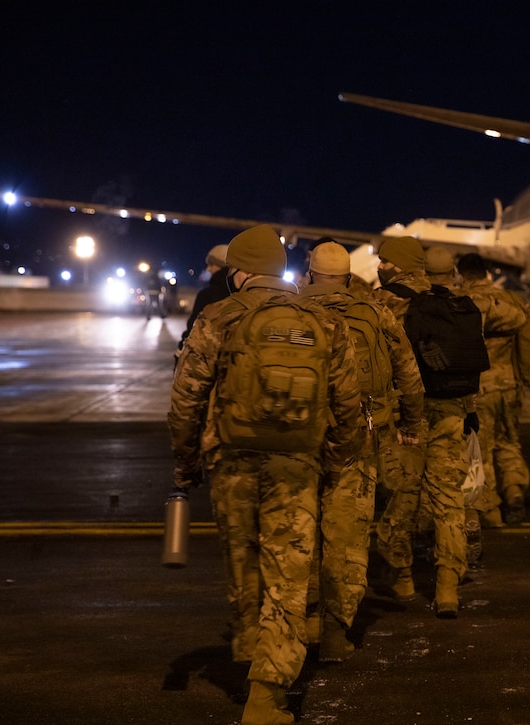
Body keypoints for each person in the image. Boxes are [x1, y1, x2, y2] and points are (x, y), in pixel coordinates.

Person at [169, 224, 362, 725]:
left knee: (245, 566)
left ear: (238, 272)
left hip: (231, 463)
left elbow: (185, 398)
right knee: (288, 575)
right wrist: (336, 459)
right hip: (297, 465)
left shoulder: (219, 316)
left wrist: (186, 462)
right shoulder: (322, 321)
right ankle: (268, 692)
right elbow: (348, 402)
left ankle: (250, 651)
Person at [300, 240, 424, 661]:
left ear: (310, 273)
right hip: (362, 435)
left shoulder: (293, 310)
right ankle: (336, 632)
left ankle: (306, 620)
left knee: (304, 528)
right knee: (349, 534)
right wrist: (409, 424)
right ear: (349, 275)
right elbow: (408, 373)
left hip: (303, 437)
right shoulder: (374, 311)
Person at [373, 237, 479, 618]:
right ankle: (448, 585)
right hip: (451, 410)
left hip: (407, 416)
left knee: (402, 495)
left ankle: (402, 577)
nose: (379, 266)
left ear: (396, 264)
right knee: (447, 498)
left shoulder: (386, 302)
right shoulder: (450, 300)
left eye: (383, 260)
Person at [457, 253, 530, 532]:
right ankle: (514, 491)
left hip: (482, 387)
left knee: (481, 450)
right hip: (510, 385)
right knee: (509, 442)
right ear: (486, 272)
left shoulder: (465, 302)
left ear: (462, 274)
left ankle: (491, 510)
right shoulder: (509, 300)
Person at [178, 244, 232, 353]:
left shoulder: (207, 295)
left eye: (212, 264)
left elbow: (193, 328)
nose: (208, 269)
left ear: (223, 265)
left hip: (209, 354)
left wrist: (181, 346)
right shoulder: (242, 291)